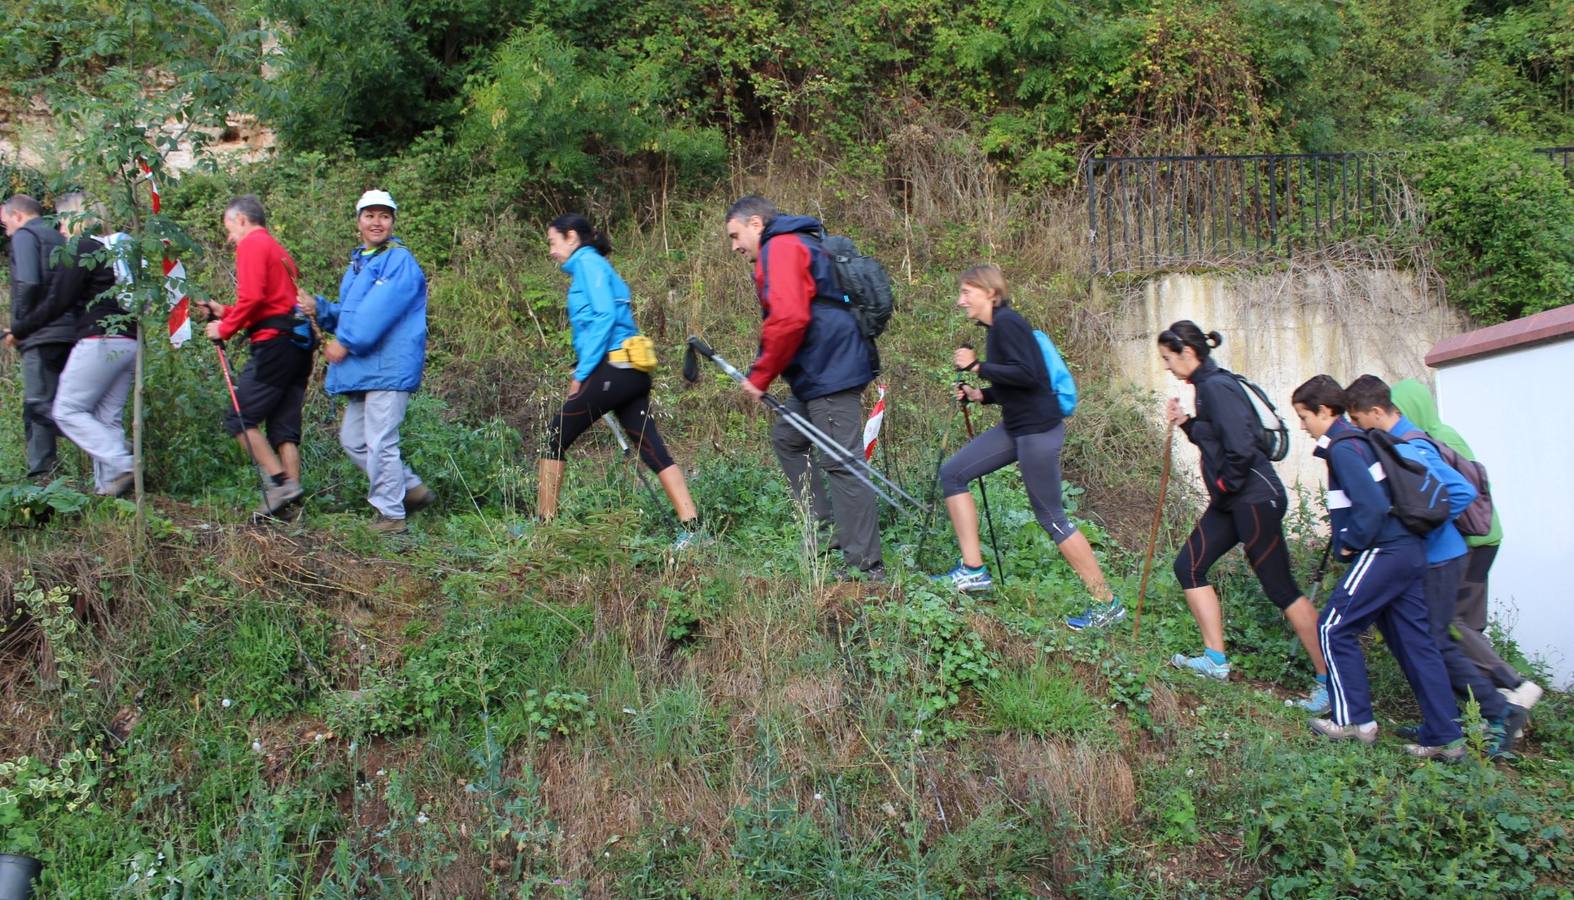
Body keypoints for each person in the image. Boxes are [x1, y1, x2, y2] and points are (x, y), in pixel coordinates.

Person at [1344, 374, 1527, 754]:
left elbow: (1461, 490)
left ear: (1376, 412)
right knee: (1417, 640)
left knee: (1435, 642)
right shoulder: (1401, 440)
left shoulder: (1411, 447)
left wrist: (1424, 526)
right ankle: (1443, 723)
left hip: (1440, 558)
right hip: (1432, 558)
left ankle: (1498, 709)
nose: (1358, 429)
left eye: (1359, 420)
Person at [923, 265, 1121, 613]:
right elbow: (1020, 382)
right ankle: (973, 571)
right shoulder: (997, 329)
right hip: (1017, 428)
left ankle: (1106, 603)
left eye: (967, 293)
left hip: (1037, 432)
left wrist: (976, 367)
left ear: (990, 293)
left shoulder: (1008, 324)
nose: (960, 301)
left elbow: (1029, 375)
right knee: (953, 473)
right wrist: (981, 395)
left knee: (1052, 518)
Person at [1290, 375, 1466, 758]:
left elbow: (1370, 505)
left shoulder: (1343, 448)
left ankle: (1353, 720)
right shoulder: (1360, 441)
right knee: (1415, 643)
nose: (1302, 427)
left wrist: (1351, 542)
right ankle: (1445, 736)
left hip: (1383, 550)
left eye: (1304, 417)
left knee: (1333, 627)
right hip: (1408, 551)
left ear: (1325, 411)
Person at [1157, 321, 1329, 712]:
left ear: (1187, 353)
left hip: (1253, 500)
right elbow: (1217, 437)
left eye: (1169, 358)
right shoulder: (1207, 387)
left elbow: (1242, 447)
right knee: (1189, 565)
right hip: (1234, 502)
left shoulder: (1216, 387)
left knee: (1283, 590)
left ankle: (1330, 682)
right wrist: (1186, 423)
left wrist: (1223, 487)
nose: (1167, 366)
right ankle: (1215, 661)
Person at [723, 195, 882, 580]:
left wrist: (760, 376)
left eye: (735, 235)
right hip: (819, 369)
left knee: (842, 463)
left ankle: (865, 565)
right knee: (789, 440)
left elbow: (789, 317)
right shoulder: (797, 241)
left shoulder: (780, 247)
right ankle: (824, 532)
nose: (734, 246)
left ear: (756, 223)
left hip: (830, 369)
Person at [538, 213, 702, 549]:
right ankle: (695, 530)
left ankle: (543, 529)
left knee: (554, 437)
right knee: (651, 447)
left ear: (571, 237)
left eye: (553, 242)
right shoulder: (596, 266)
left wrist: (581, 373)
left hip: (613, 370)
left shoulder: (588, 263)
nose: (551, 251)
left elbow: (604, 317)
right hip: (631, 372)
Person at [1389, 379, 1542, 712]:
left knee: (1450, 623)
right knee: (1464, 627)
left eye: (1398, 408)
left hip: (1474, 540)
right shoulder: (1434, 434)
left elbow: (1461, 490)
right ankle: (1495, 705)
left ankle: (1514, 685)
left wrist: (1432, 524)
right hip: (1475, 539)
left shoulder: (1435, 439)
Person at [297, 190, 433, 535]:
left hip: (388, 366)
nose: (377, 222)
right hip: (366, 368)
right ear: (358, 221)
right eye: (369, 215)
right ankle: (410, 489)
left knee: (380, 441)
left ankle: (391, 516)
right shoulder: (361, 263)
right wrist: (321, 309)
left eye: (384, 216)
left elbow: (380, 310)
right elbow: (353, 312)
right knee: (354, 440)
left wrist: (346, 342)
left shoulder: (398, 260)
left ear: (393, 222)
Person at [200, 195, 312, 519]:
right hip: (297, 345)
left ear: (242, 220)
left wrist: (225, 328)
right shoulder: (278, 251)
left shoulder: (250, 245)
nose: (229, 237)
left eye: (229, 229)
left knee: (238, 418)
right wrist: (228, 312)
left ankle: (281, 485)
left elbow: (252, 298)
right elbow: (269, 303)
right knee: (283, 428)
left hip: (274, 346)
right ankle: (293, 511)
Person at [44, 193, 136, 497]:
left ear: (75, 218)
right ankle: (107, 491)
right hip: (130, 340)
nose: (59, 229)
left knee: (67, 410)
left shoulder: (82, 248)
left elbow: (60, 299)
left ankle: (123, 462)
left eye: (62, 220)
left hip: (100, 338)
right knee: (107, 416)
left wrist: (21, 326)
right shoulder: (119, 248)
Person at [3, 194, 71, 481]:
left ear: (18, 215)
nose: (5, 228)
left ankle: (42, 479)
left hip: (41, 334)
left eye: (5, 221)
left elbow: (28, 282)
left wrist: (19, 327)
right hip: (69, 333)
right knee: (58, 403)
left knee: (38, 406)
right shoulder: (60, 239)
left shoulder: (24, 236)